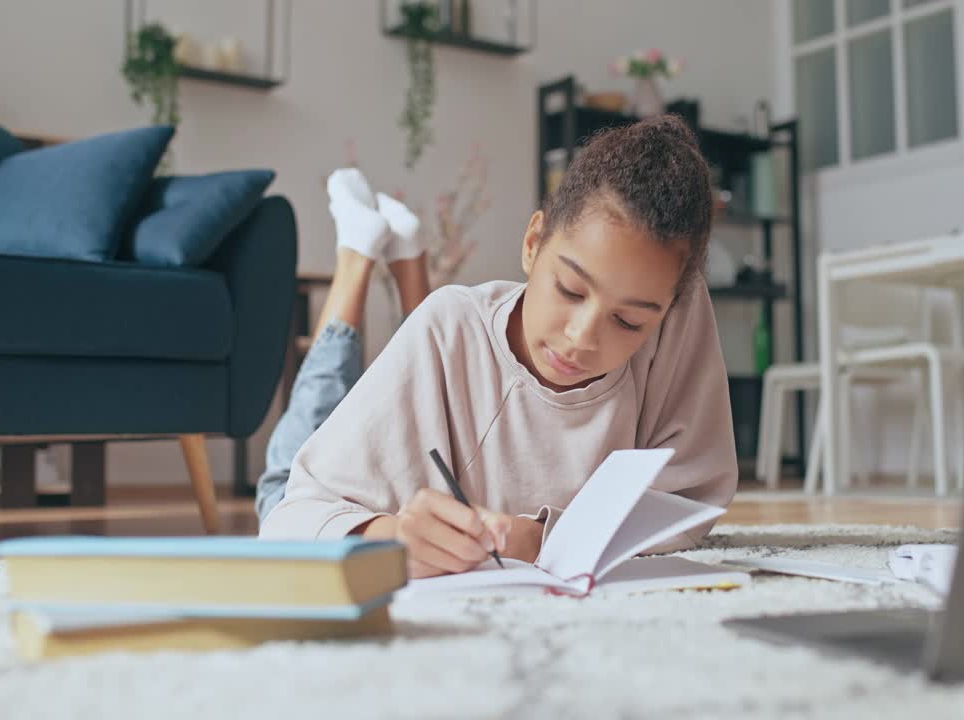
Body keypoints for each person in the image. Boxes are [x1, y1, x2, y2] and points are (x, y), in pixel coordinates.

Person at [258, 116, 738, 580]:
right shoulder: (448, 324)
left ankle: (392, 256)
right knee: (291, 457)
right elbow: (289, 520)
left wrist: (534, 537)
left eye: (628, 321)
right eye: (570, 290)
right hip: (311, 488)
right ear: (532, 242)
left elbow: (690, 497)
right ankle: (355, 259)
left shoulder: (672, 305)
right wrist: (390, 538)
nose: (582, 337)